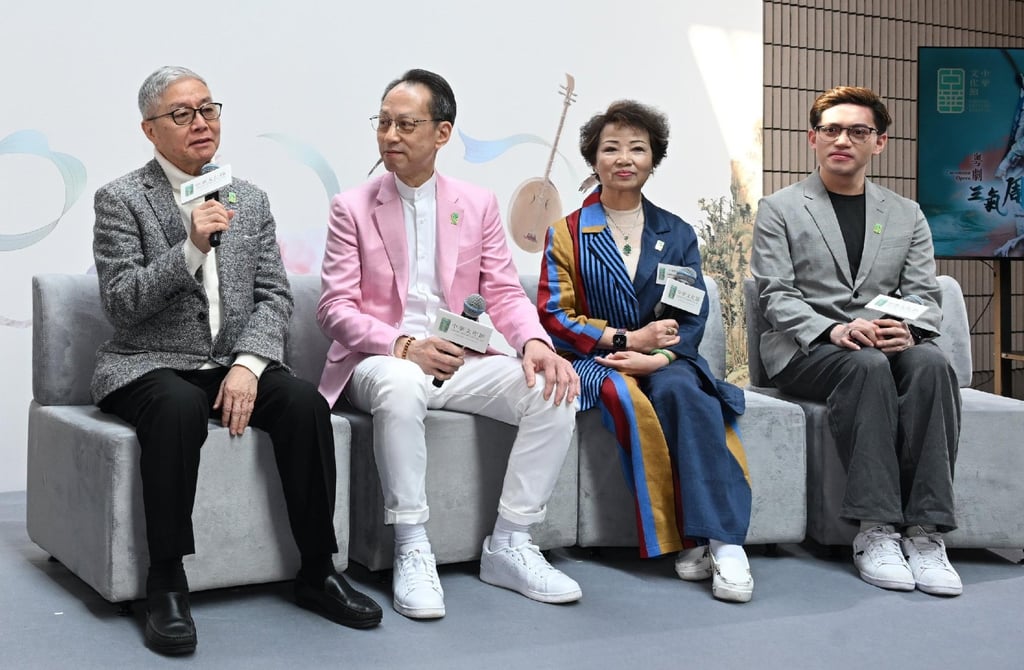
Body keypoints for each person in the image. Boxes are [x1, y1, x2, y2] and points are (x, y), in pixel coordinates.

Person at [92, 66, 382, 655]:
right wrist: (190, 247)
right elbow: (123, 306)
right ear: (149, 129)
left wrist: (251, 362)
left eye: (209, 109)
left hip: (232, 359)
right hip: (149, 362)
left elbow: (274, 296)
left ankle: (317, 570)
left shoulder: (248, 198)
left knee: (303, 402)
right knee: (174, 407)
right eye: (182, 114)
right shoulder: (121, 199)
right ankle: (166, 583)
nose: (201, 123)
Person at [317, 68, 582, 620]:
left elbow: (505, 292)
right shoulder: (352, 206)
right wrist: (404, 344)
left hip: (464, 360)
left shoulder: (477, 203)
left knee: (554, 388)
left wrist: (532, 341)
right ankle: (413, 545)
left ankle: (510, 542)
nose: (390, 135)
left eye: (405, 124)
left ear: (442, 133)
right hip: (381, 360)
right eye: (383, 123)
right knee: (398, 387)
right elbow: (334, 311)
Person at [537, 100, 754, 603]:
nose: (624, 158)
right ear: (593, 160)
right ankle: (681, 536)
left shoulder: (675, 233)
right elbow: (555, 314)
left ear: (654, 159)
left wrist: (660, 359)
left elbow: (690, 314)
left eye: (638, 148)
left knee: (688, 395)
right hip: (597, 359)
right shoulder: (567, 232)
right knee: (624, 395)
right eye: (610, 148)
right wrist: (625, 341)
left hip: (663, 358)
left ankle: (723, 543)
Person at [750, 86, 963, 596]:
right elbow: (774, 295)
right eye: (831, 130)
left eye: (858, 131)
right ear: (813, 139)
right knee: (864, 366)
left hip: (882, 341)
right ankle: (876, 530)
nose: (842, 139)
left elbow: (921, 294)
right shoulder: (780, 208)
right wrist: (833, 329)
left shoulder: (906, 213)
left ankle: (927, 531)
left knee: (932, 363)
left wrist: (907, 329)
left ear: (879, 143)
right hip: (808, 348)